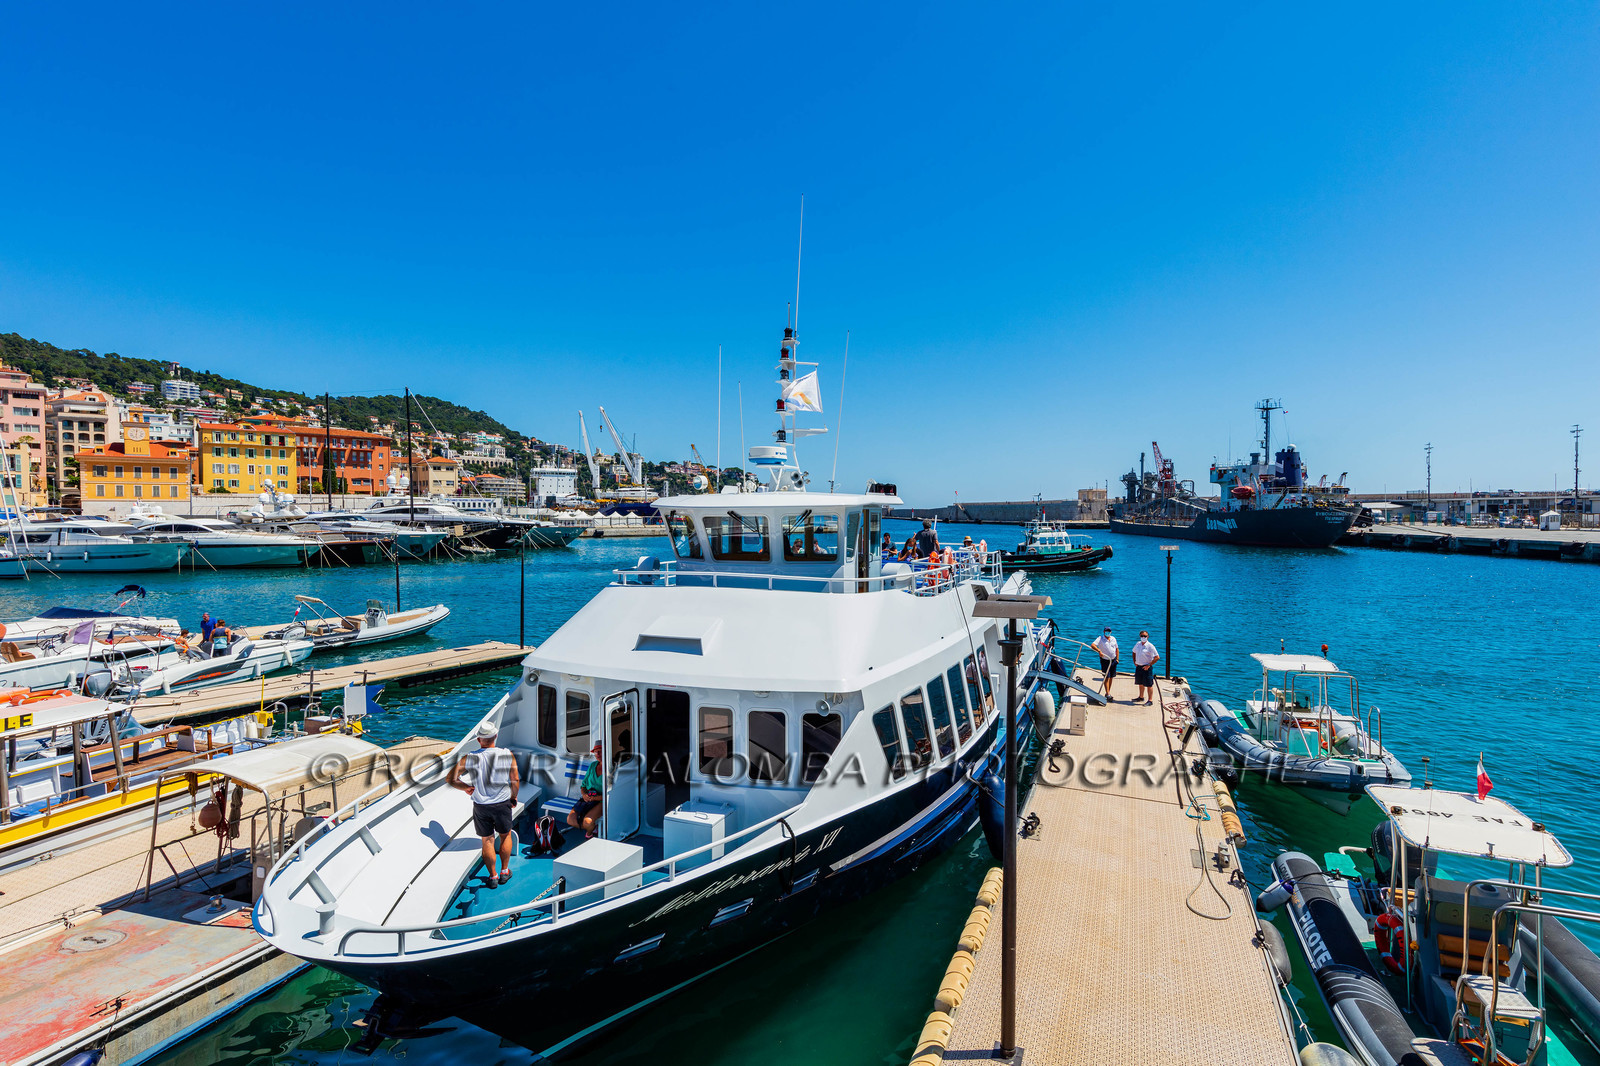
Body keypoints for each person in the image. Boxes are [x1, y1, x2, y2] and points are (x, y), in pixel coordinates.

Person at [449, 721, 521, 885]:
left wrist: (466, 788)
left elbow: (451, 779)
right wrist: (513, 797)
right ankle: (504, 871)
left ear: (479, 740)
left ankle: (493, 876)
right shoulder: (506, 753)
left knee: (487, 840)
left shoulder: (470, 757)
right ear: (495, 736)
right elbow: (515, 779)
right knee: (505, 835)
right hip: (502, 803)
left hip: (481, 806)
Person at [568, 740, 604, 838]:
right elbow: (583, 785)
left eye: (601, 751)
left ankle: (589, 834)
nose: (598, 754)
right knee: (570, 819)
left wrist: (596, 798)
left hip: (602, 801)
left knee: (587, 822)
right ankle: (593, 827)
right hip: (588, 798)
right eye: (596, 752)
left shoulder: (610, 768)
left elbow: (611, 794)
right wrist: (584, 795)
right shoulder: (593, 766)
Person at [1132, 630, 1161, 705]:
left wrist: (1149, 665)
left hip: (1147, 668)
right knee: (1140, 683)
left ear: (1148, 637)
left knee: (1149, 684)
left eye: (1145, 636)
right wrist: (1134, 661)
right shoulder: (1138, 644)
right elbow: (1134, 652)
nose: (1143, 637)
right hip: (1139, 666)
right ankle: (1141, 697)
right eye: (1142, 636)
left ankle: (1150, 700)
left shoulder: (1150, 646)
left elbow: (1157, 657)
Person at [1090, 627, 1119, 700]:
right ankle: (1108, 693)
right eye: (1106, 631)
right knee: (1107, 677)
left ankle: (1108, 692)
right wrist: (1099, 651)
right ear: (1104, 631)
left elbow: (1117, 649)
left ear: (1111, 632)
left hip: (1113, 660)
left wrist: (1117, 659)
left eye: (1109, 631)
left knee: (1111, 676)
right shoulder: (1100, 638)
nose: (1108, 632)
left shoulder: (1113, 638)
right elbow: (1093, 645)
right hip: (1105, 660)